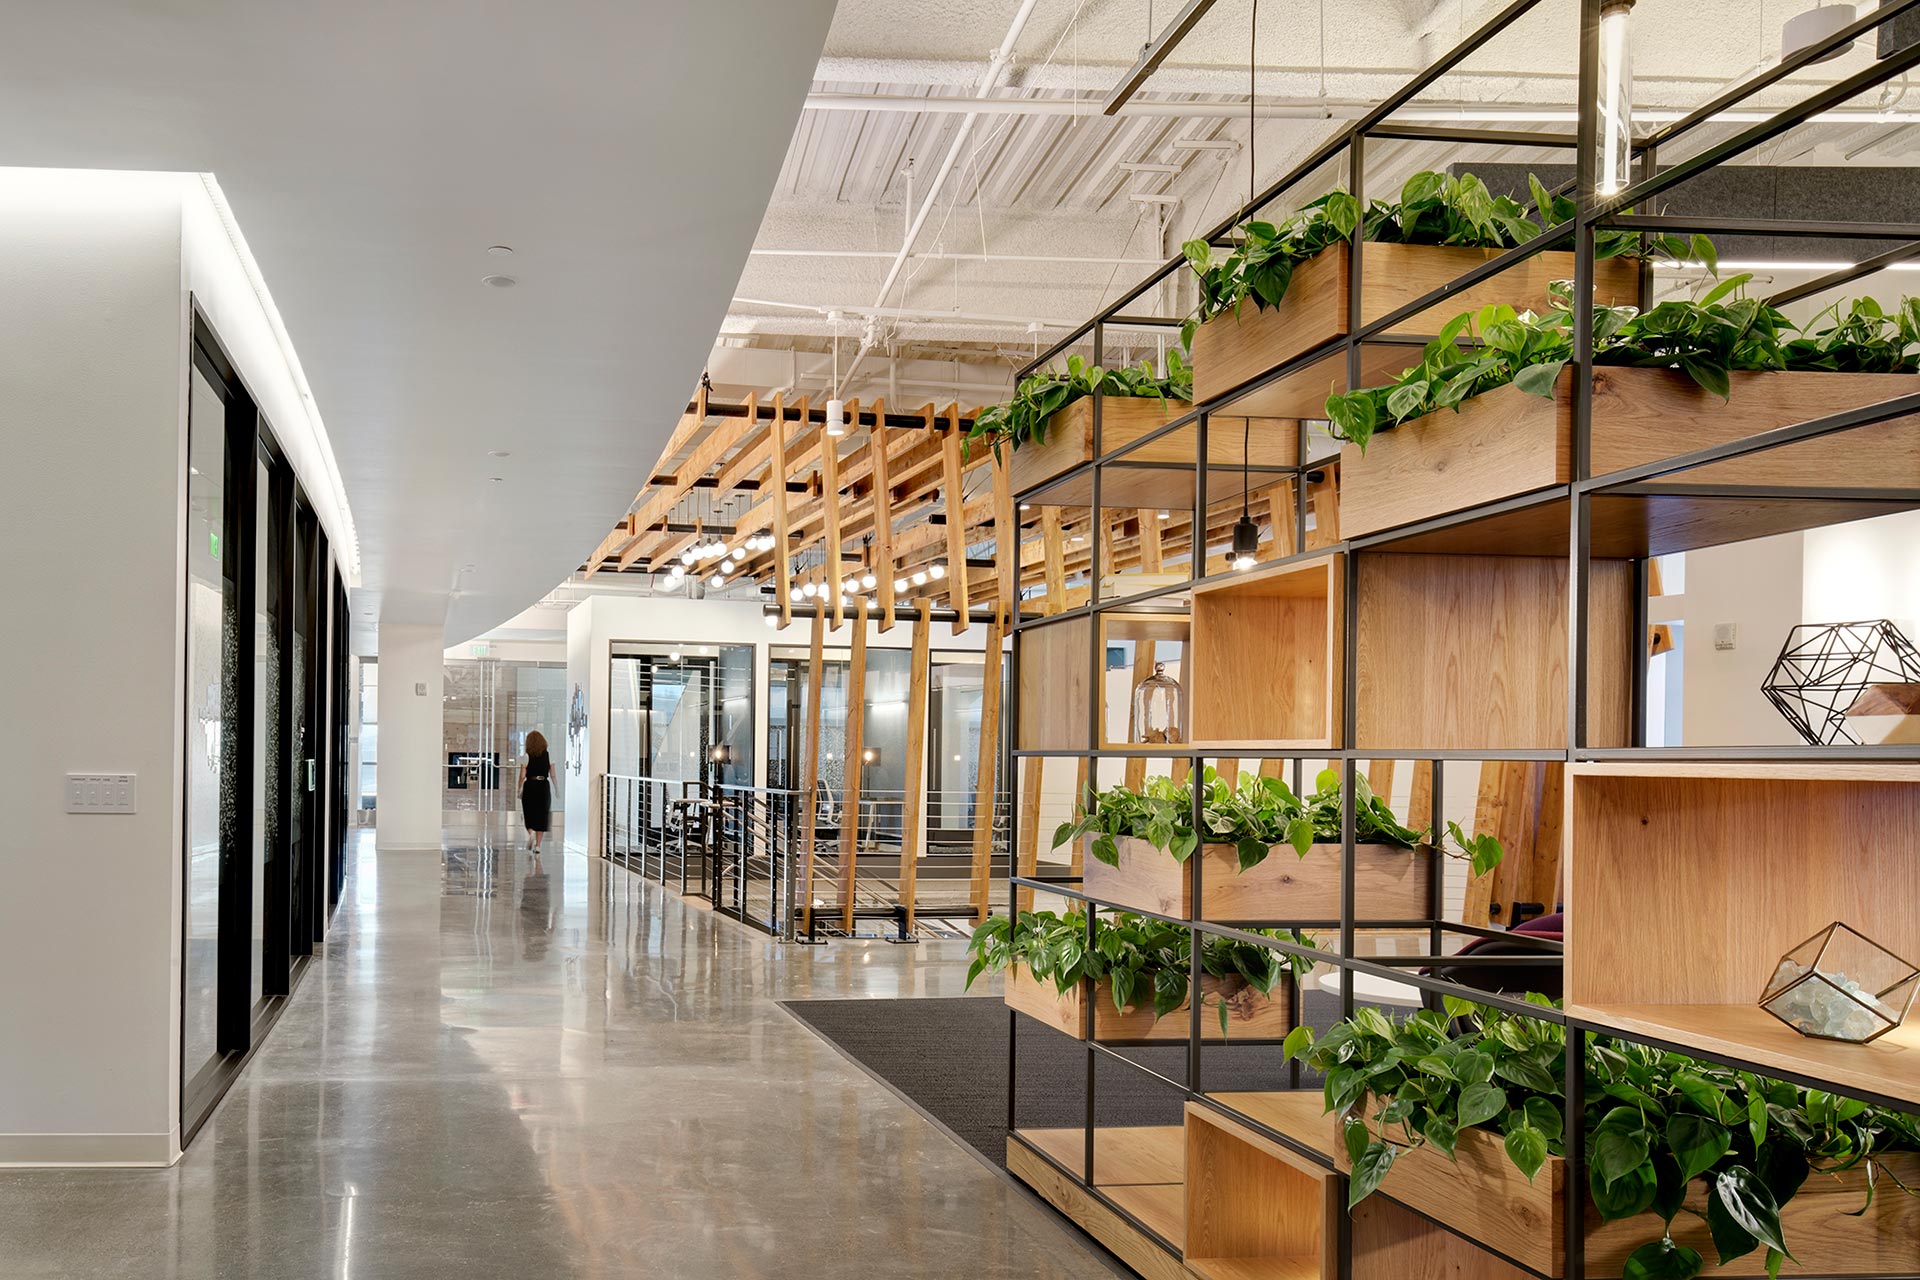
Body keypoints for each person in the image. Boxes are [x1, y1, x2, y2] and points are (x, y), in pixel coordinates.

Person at [521, 730, 553, 852]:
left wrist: (520, 787)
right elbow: (553, 773)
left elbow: (523, 775)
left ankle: (530, 833)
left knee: (529, 813)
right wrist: (556, 787)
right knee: (542, 815)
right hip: (544, 785)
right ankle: (538, 846)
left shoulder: (526, 756)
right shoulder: (548, 755)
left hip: (530, 785)